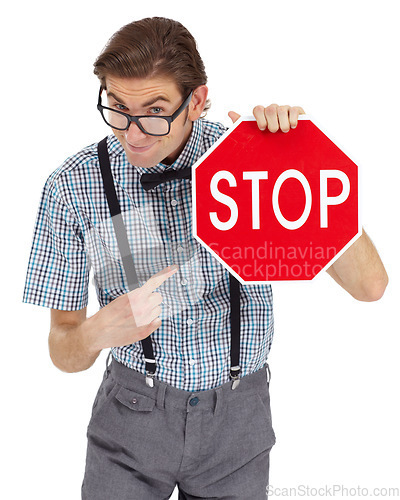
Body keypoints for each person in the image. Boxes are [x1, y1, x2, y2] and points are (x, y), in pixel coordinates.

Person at [22, 17, 388, 500]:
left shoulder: (252, 159)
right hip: (130, 416)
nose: (133, 134)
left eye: (154, 110)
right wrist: (96, 332)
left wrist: (301, 160)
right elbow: (62, 349)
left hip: (238, 422)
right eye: (117, 108)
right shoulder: (72, 186)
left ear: (196, 101)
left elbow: (370, 286)